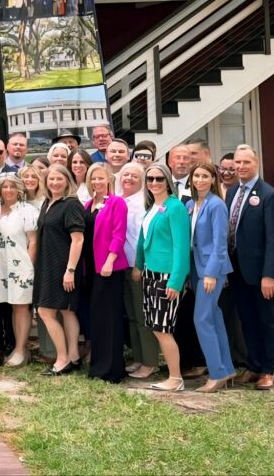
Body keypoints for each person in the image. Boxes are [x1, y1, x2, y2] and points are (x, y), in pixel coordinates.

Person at [226, 145, 274, 390]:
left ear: (256, 162)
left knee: (265, 321)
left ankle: (267, 370)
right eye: (237, 162)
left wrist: (269, 275)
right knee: (246, 319)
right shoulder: (232, 192)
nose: (240, 166)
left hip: (260, 273)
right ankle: (253, 366)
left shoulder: (270, 195)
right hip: (237, 270)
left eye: (246, 162)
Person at [133, 163, 191, 391]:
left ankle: (175, 379)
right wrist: (138, 265)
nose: (154, 183)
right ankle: (173, 376)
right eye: (150, 179)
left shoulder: (175, 208)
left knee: (162, 328)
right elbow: (142, 240)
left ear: (168, 180)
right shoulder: (153, 207)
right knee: (156, 326)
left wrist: (175, 281)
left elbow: (181, 247)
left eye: (159, 178)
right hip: (150, 273)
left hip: (167, 276)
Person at [188, 162, 237, 392]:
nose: (200, 180)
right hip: (196, 268)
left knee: (201, 319)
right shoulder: (191, 204)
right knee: (214, 318)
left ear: (213, 179)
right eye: (196, 176)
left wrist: (211, 273)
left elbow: (220, 244)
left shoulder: (216, 204)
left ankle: (216, 373)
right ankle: (227, 369)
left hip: (211, 270)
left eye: (204, 176)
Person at [34, 165, 86, 376]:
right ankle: (73, 356)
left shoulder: (71, 204)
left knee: (45, 311)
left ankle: (62, 359)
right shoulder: (48, 202)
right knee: (67, 310)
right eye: (51, 179)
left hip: (63, 267)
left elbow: (78, 239)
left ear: (67, 181)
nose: (55, 183)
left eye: (59, 179)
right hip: (47, 265)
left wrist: (70, 270)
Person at [83, 163, 129, 383]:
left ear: (110, 179)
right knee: (97, 317)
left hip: (108, 268)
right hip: (90, 268)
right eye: (93, 178)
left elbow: (119, 235)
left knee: (110, 318)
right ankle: (98, 366)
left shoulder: (116, 203)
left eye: (101, 178)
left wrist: (110, 260)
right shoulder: (88, 204)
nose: (97, 182)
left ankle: (112, 369)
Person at [119, 162, 159, 379]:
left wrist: (139, 265)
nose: (128, 178)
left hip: (137, 266)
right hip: (122, 266)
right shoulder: (119, 199)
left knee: (142, 316)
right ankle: (138, 357)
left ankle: (150, 361)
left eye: (134, 176)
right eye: (125, 174)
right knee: (132, 315)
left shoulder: (143, 203)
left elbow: (142, 239)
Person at [0, 175, 39, 366]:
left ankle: (21, 349)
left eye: (12, 187)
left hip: (21, 265)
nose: (8, 190)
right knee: (13, 306)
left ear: (19, 189)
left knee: (21, 306)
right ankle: (19, 348)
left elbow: (33, 241)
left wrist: (29, 266)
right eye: (5, 187)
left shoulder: (27, 210)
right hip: (2, 266)